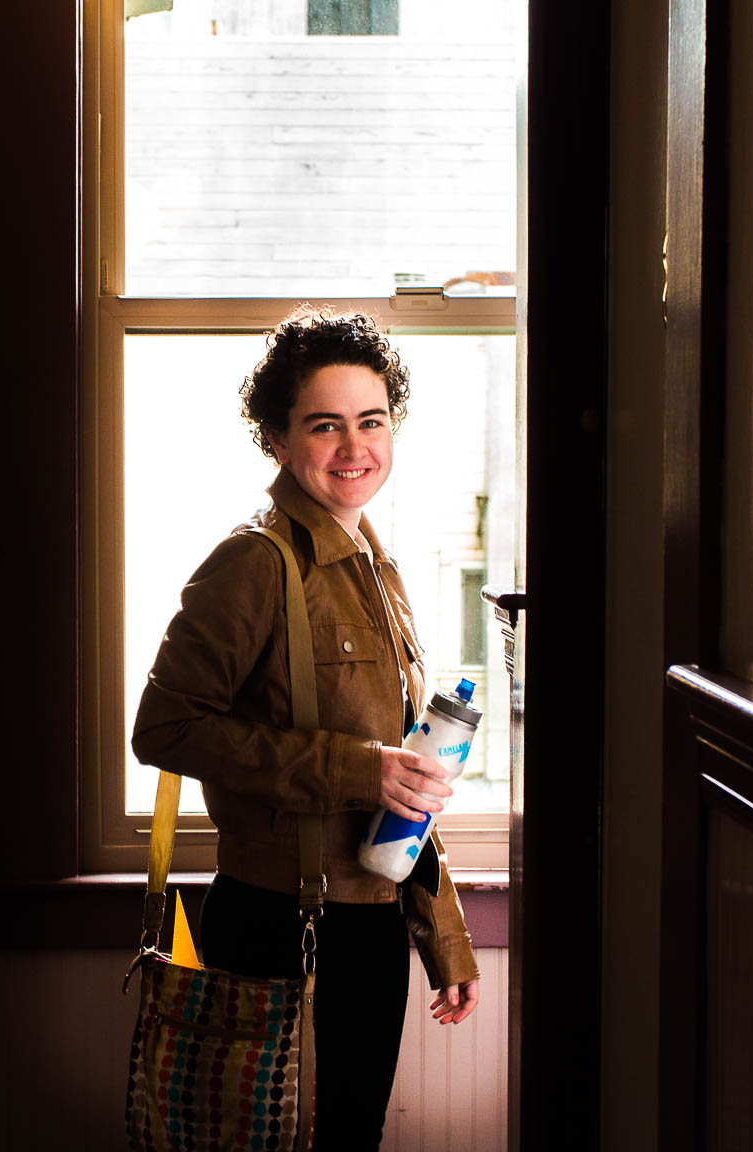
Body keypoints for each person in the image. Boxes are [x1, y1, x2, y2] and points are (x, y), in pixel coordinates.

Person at [132, 310, 482, 1148]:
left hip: (369, 932)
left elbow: (406, 778)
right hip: (278, 927)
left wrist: (446, 942)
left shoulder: (378, 569)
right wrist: (360, 769)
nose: (354, 447)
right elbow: (165, 729)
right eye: (326, 425)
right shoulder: (252, 563)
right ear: (278, 440)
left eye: (373, 421)